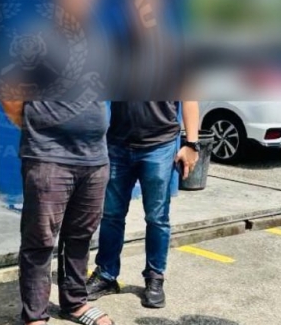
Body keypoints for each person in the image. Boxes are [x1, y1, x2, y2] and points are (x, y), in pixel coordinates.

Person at [1, 0, 115, 325]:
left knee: (82, 234)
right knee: (40, 239)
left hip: (95, 157)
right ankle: (35, 315)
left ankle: (75, 300)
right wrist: (37, 129)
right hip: (49, 157)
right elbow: (11, 94)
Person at [85, 101, 200, 309]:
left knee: (157, 218)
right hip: (117, 143)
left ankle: (155, 277)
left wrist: (192, 144)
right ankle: (106, 275)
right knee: (111, 215)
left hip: (160, 146)